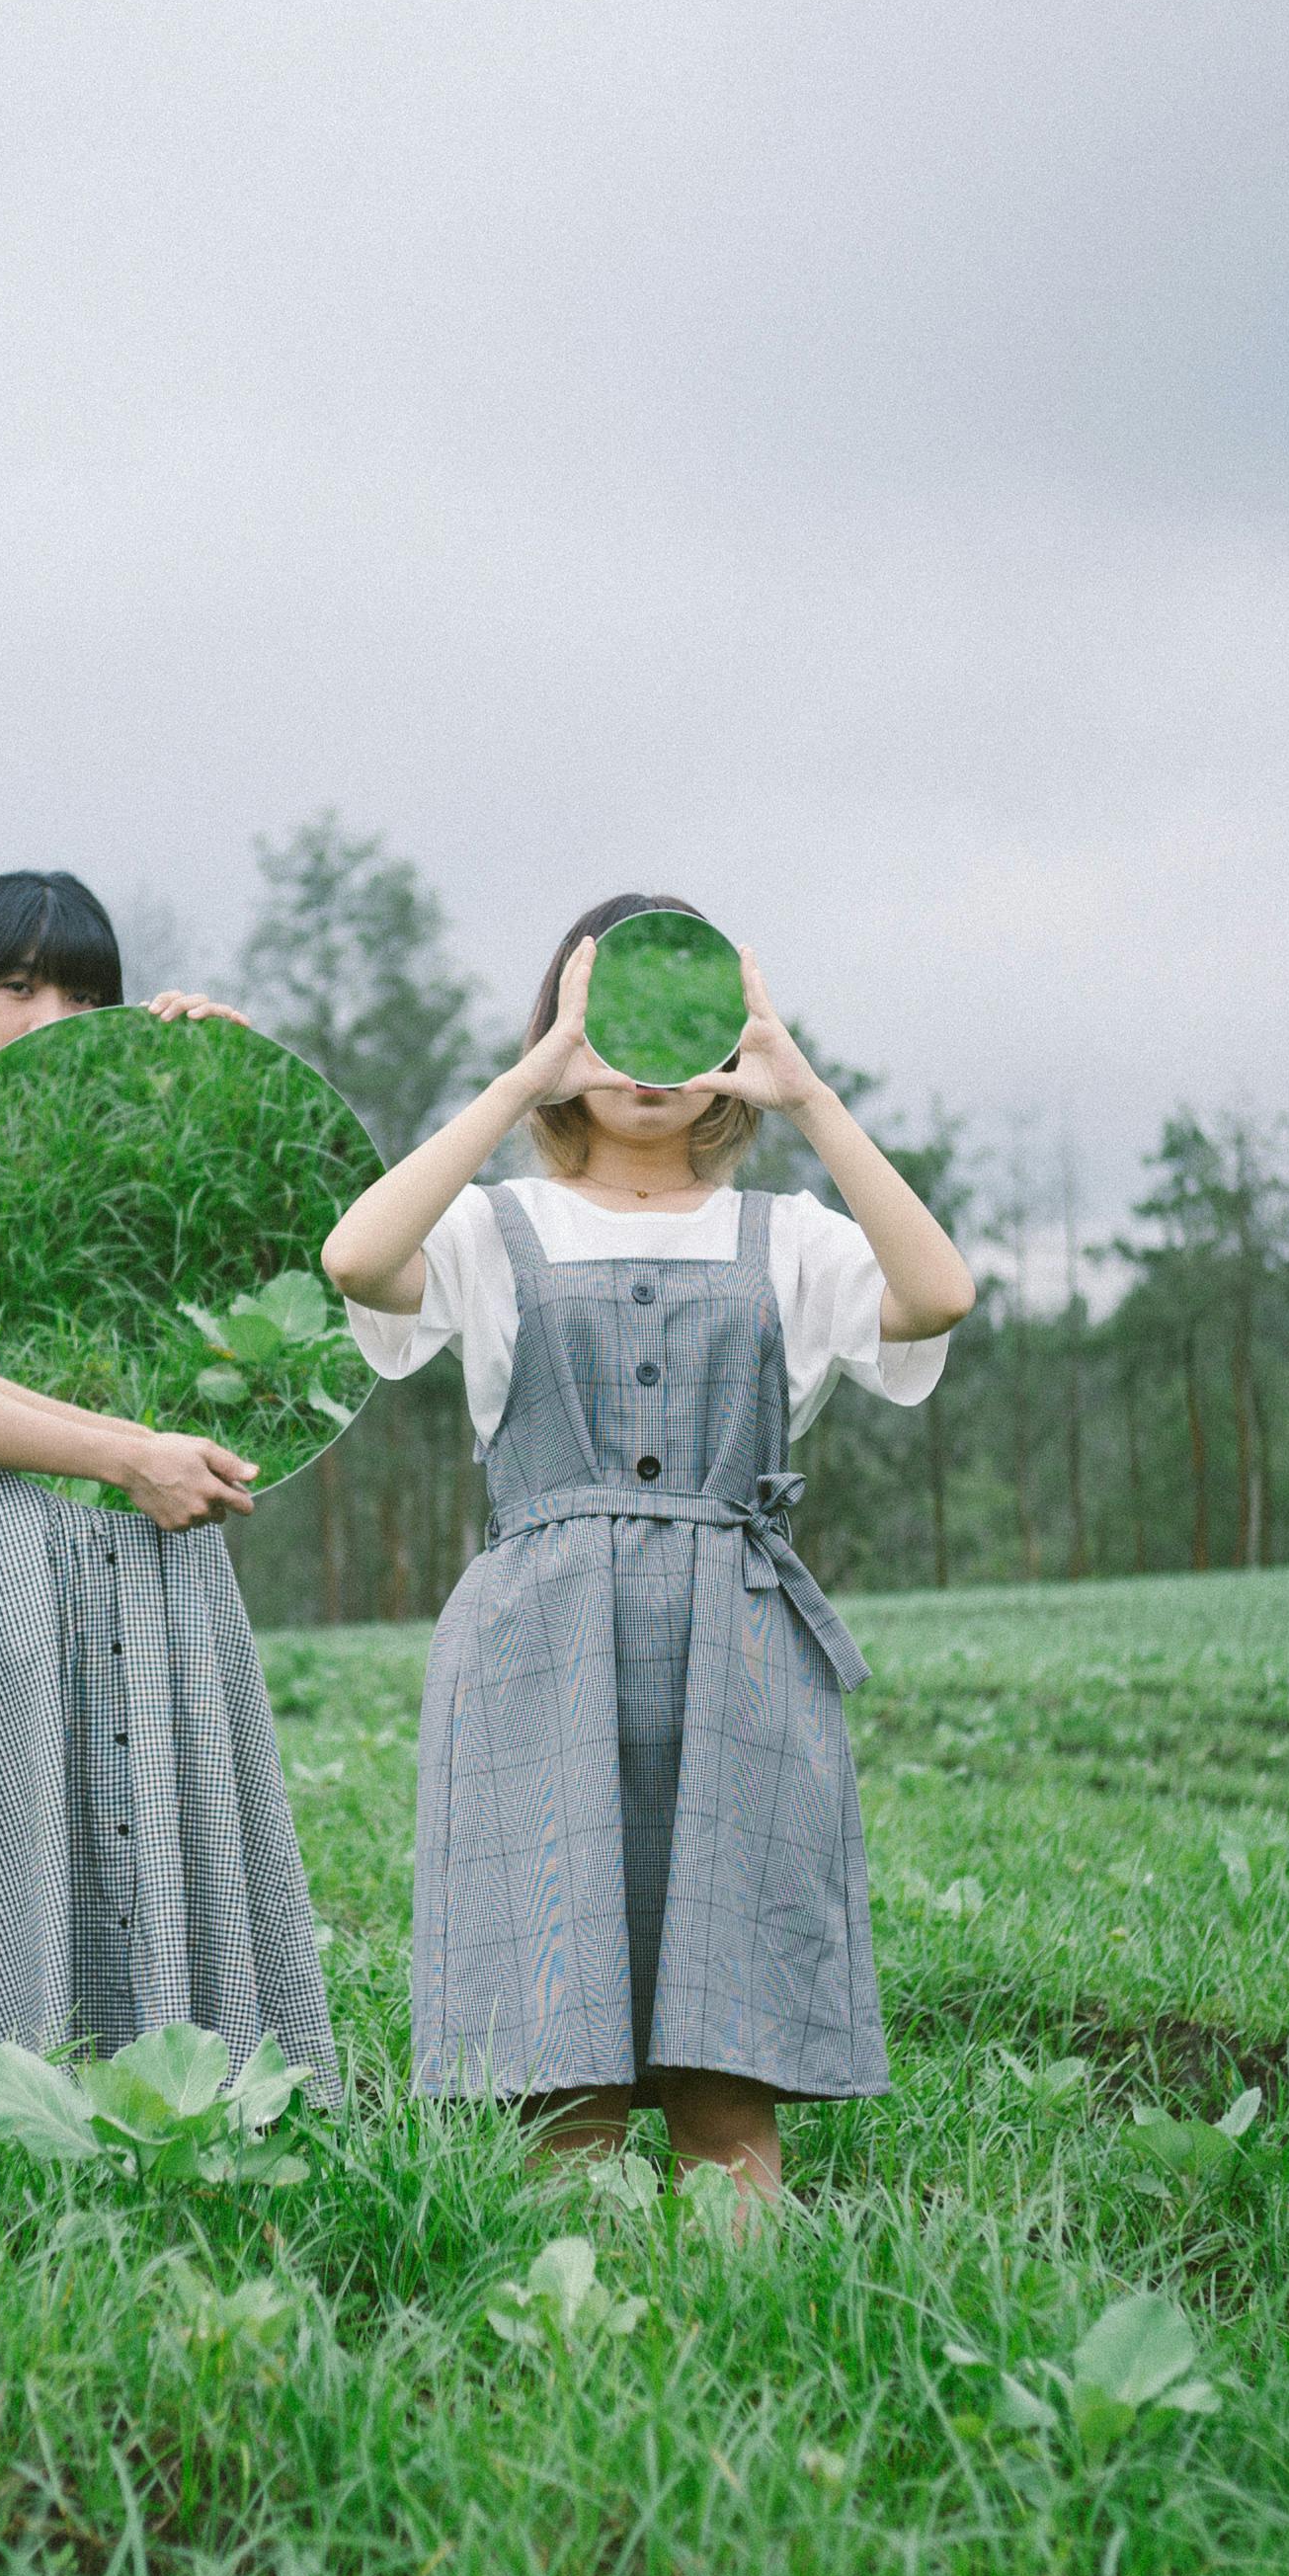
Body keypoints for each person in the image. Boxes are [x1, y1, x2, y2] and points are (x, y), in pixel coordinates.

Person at [321, 892, 973, 2190]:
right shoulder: (495, 1228)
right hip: (536, 1661)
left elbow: (937, 1293)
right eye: (610, 1014)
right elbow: (356, 1255)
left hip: (740, 1666)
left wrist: (810, 1098)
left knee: (727, 2087)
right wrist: (524, 1082)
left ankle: (741, 2350)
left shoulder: (786, 1235)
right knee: (559, 2080)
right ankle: (572, 2361)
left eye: (686, 1016)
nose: (648, 1057)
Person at [0, 870, 335, 2083]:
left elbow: (310, 1297)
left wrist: (233, 1103)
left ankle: (191, 2129)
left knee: (165, 1853)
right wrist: (122, 1454)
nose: (50, 1018)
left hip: (153, 1563)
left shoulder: (143, 1192)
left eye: (84, 994)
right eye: (17, 987)